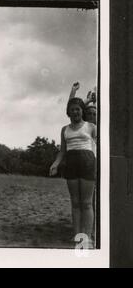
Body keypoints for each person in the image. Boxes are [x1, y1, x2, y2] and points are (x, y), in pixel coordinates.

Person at [49, 97, 97, 247]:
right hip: (71, 164)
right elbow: (62, 151)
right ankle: (77, 236)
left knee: (87, 203)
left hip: (88, 163)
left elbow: (98, 147)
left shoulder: (91, 126)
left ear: (82, 111)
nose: (75, 112)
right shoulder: (64, 129)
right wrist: (55, 164)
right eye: (72, 109)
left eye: (77, 109)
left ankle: (86, 238)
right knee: (75, 203)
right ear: (68, 112)